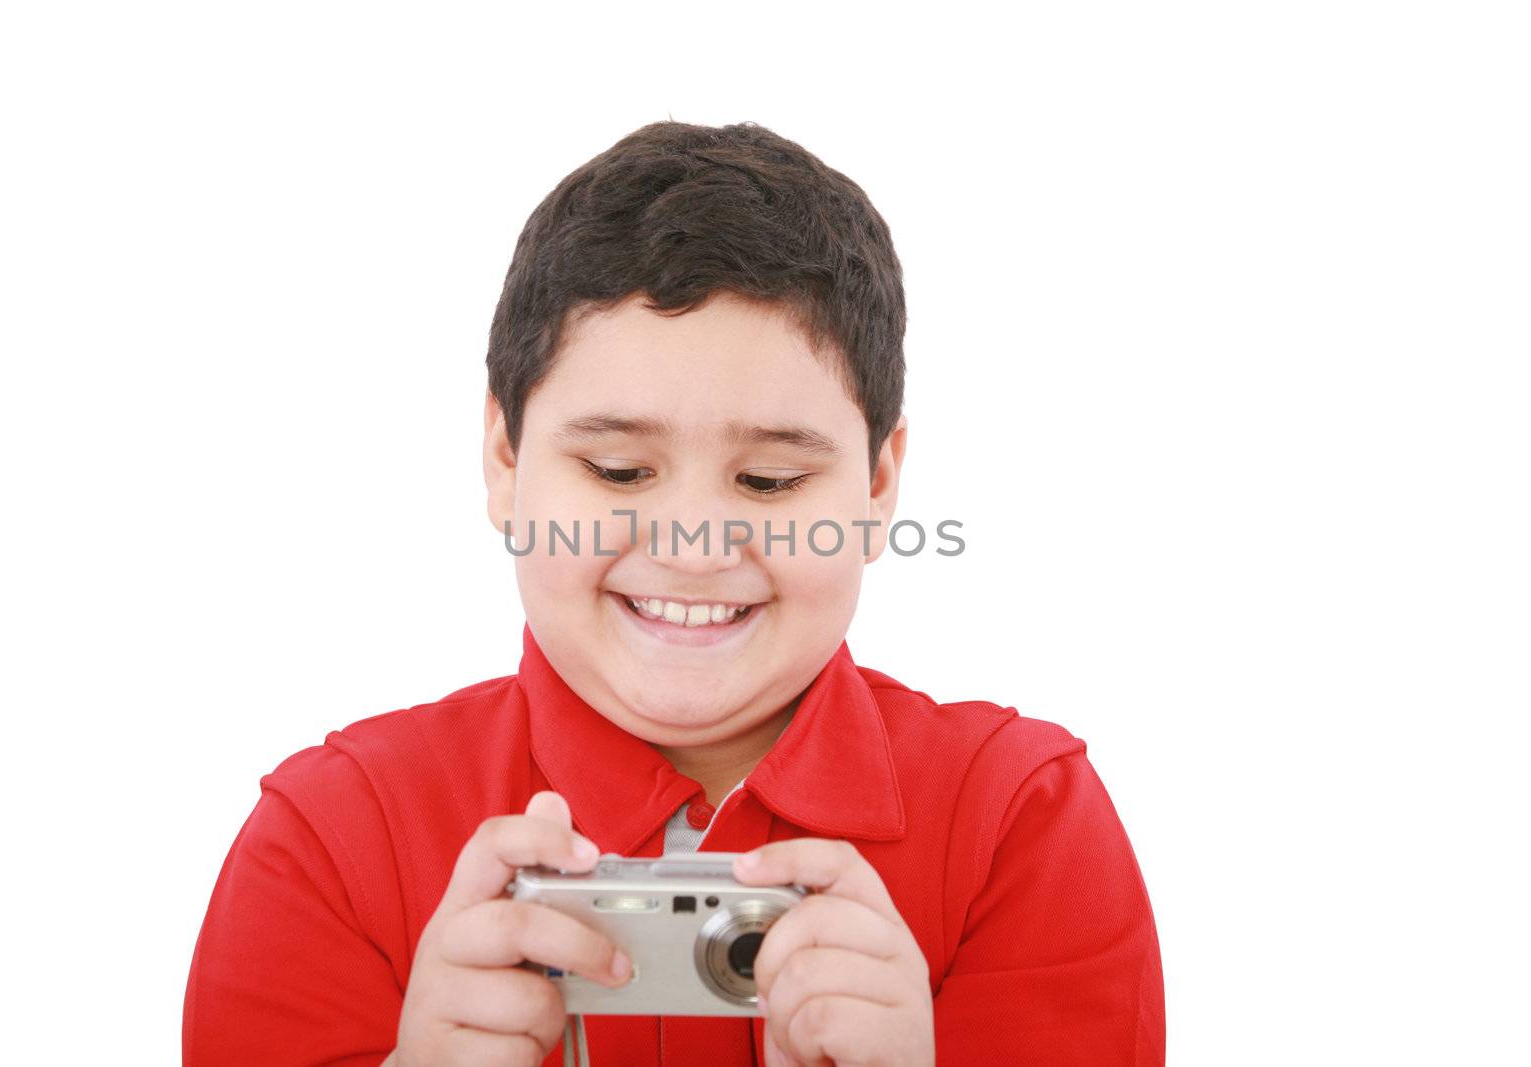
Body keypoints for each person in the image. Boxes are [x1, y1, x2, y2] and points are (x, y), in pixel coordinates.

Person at [183, 120, 1164, 1067]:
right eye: (616, 470)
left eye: (769, 482)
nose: (693, 545)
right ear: (504, 458)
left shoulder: (1018, 821)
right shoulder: (332, 834)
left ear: (876, 487)